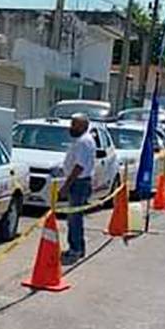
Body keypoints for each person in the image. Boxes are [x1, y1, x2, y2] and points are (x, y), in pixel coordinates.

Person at [58, 113, 95, 265]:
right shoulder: (81, 141)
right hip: (79, 182)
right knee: (74, 217)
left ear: (83, 126)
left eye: (74, 124)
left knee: (74, 218)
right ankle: (77, 247)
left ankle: (76, 249)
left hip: (79, 183)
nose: (71, 127)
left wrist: (66, 185)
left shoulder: (83, 142)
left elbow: (79, 166)